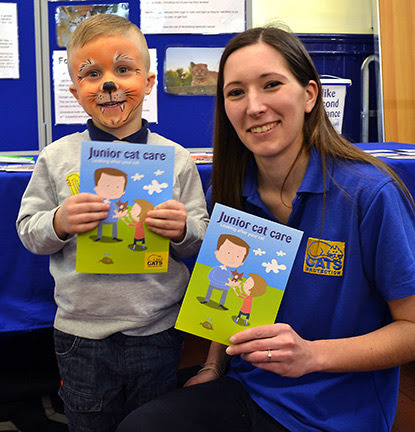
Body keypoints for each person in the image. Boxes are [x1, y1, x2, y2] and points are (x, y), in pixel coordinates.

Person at [116, 26, 415, 432]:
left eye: (271, 84)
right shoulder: (229, 192)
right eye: (236, 92)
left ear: (310, 94)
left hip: (336, 413)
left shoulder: (368, 194)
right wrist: (212, 365)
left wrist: (312, 355)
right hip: (252, 390)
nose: (254, 106)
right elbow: (226, 301)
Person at [16, 14, 209, 432]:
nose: (109, 84)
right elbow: (29, 231)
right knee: (88, 422)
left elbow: (201, 240)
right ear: (74, 91)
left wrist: (183, 230)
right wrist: (59, 222)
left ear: (150, 81)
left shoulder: (175, 158)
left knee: (152, 422)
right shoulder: (56, 157)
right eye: (92, 74)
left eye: (124, 69)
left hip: (155, 329)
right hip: (81, 334)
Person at [200, 233, 250, 310]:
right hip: (213, 284)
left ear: (241, 263)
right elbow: (210, 276)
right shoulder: (216, 268)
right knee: (210, 290)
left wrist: (234, 283)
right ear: (217, 252)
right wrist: (224, 283)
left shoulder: (229, 272)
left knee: (224, 293)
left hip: (224, 287)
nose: (232, 258)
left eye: (238, 256)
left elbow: (231, 279)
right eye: (228, 252)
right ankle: (206, 300)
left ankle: (221, 304)